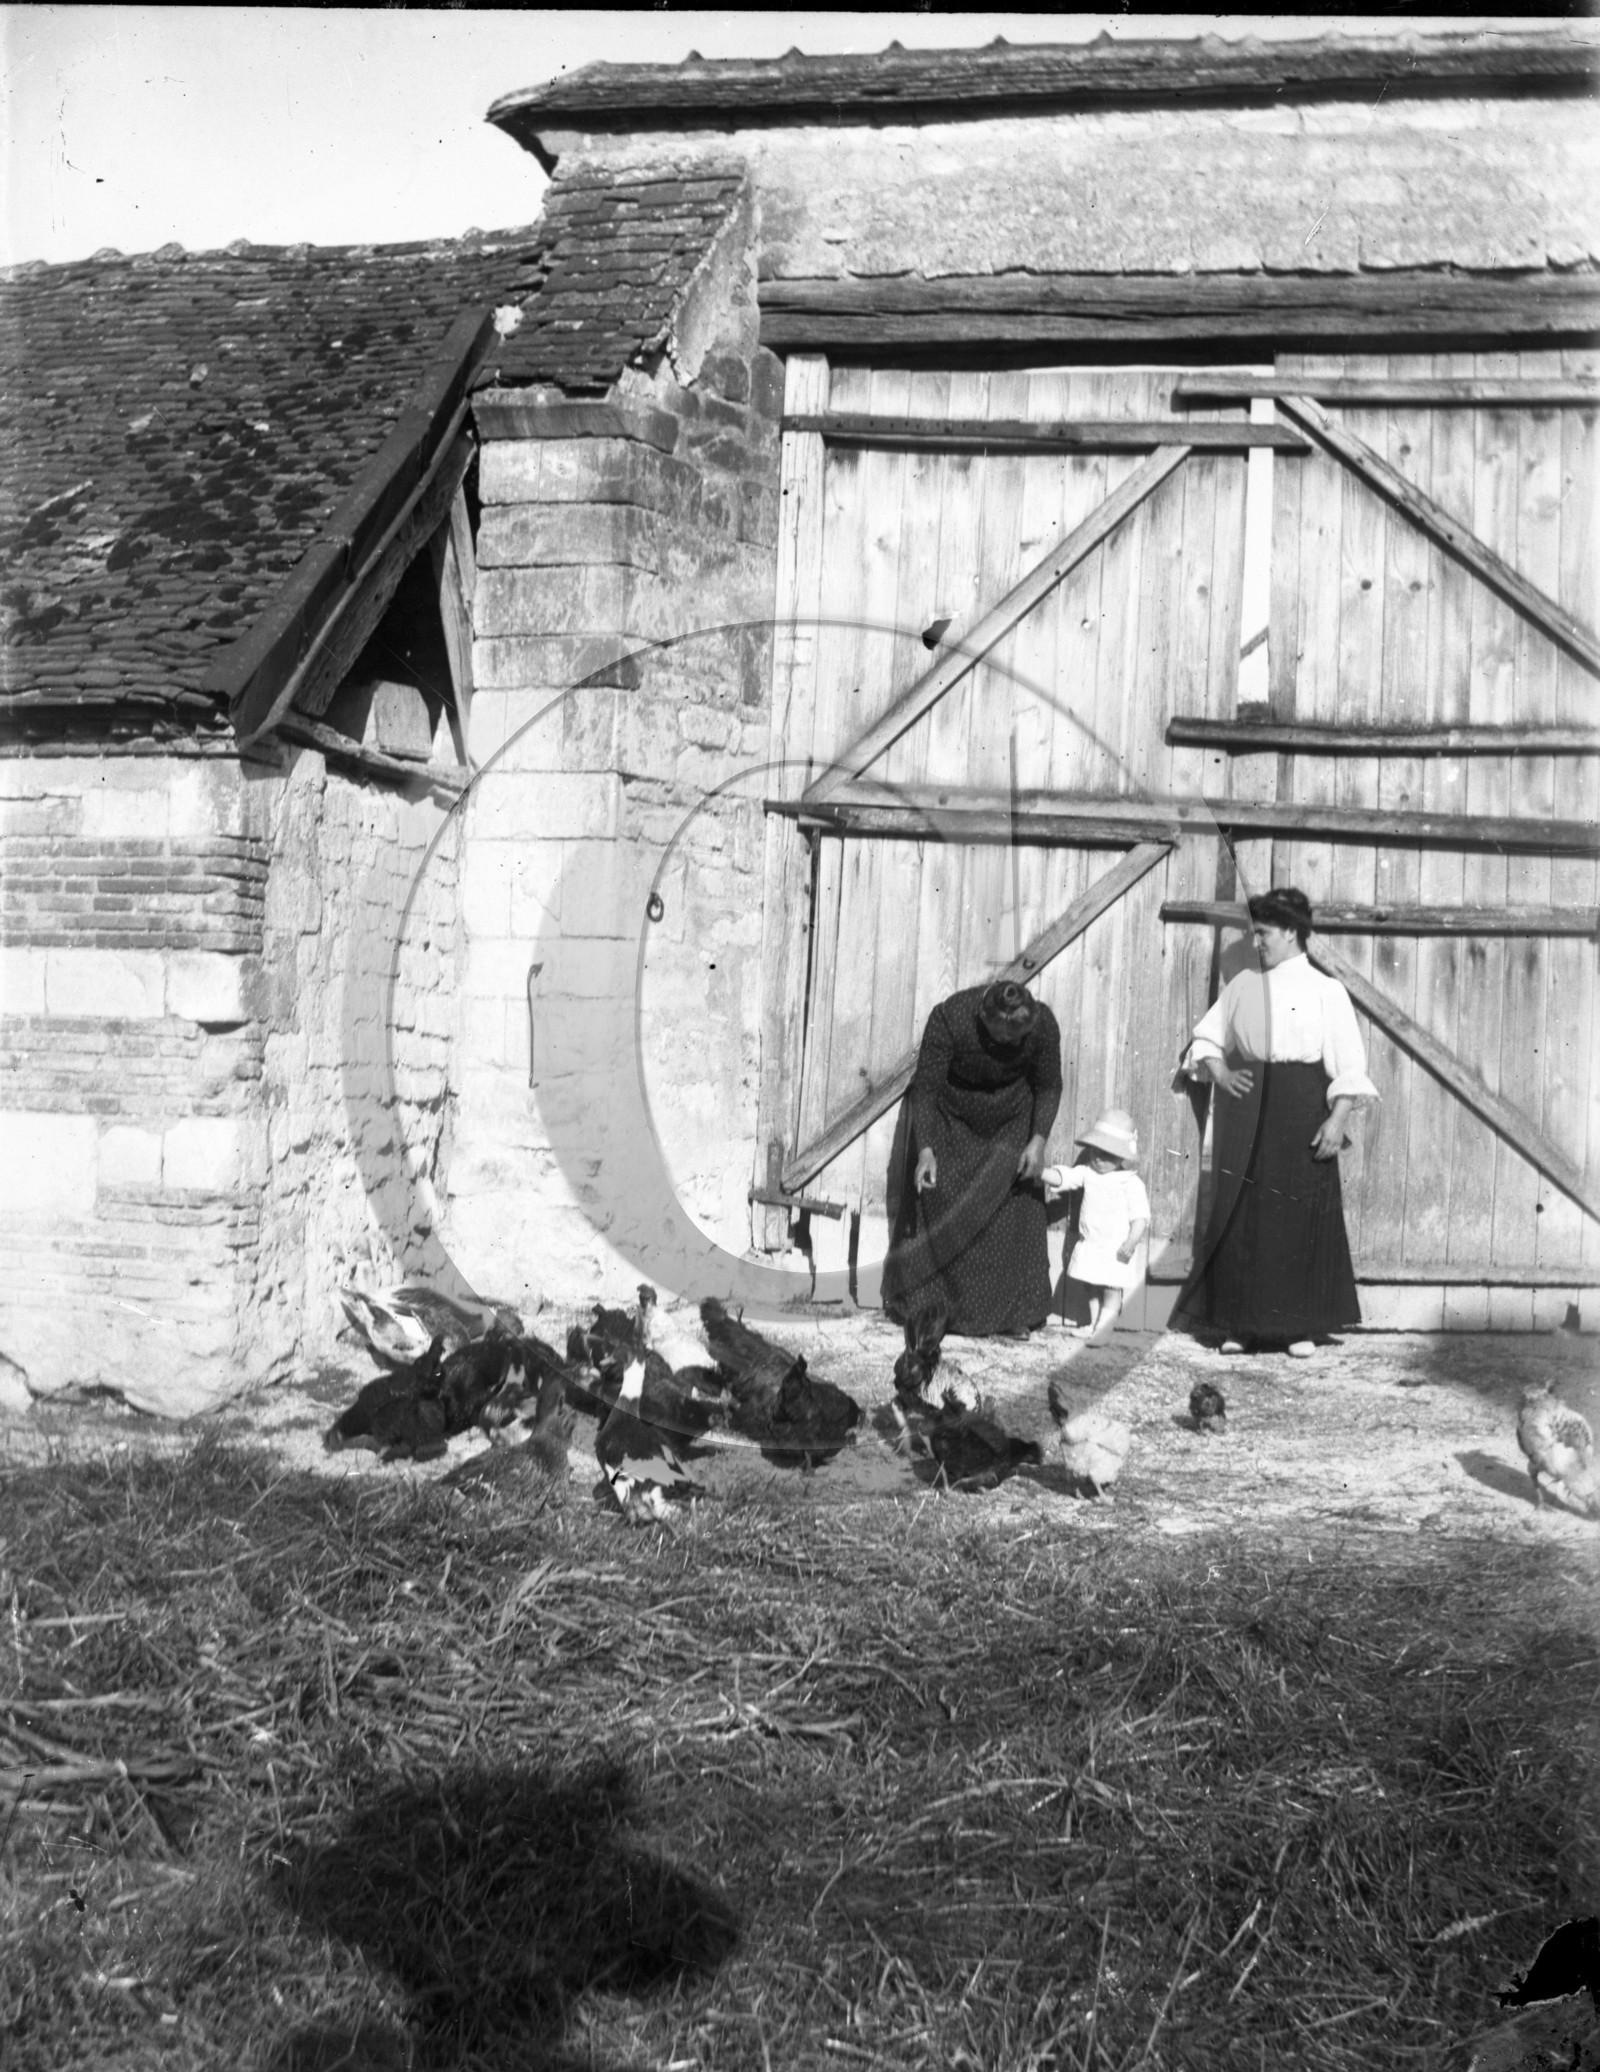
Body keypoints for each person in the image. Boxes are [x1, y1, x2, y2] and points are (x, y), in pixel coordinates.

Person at [1171, 886, 1377, 1357]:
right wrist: (1220, 1071)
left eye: (1263, 933)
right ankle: (1240, 1326)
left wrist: (1337, 1118)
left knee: (1296, 1214)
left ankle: (1296, 1328)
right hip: (1247, 1112)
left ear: (1289, 932)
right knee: (1243, 1215)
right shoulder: (1243, 985)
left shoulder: (1328, 990)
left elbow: (1349, 1065)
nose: (1257, 942)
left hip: (1303, 1109)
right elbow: (1205, 1040)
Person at [881, 979, 1062, 1337]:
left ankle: (1011, 1317)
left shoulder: (1042, 1024)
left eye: (1016, 1040)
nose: (1009, 1045)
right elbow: (927, 1088)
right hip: (952, 1119)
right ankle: (931, 1314)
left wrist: (1038, 1139)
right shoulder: (950, 1018)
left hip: (1011, 1120)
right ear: (982, 1016)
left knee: (1011, 1215)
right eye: (1001, 1037)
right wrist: (926, 1149)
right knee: (940, 1203)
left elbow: (1048, 1085)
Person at [1042, 1108, 1151, 1340]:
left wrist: (1131, 1241)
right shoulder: (1087, 1173)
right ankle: (1093, 1324)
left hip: (1115, 1248)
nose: (1099, 1158)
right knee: (1090, 1284)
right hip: (1091, 1243)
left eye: (1108, 1154)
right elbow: (1065, 1177)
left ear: (1122, 1156)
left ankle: (1104, 1329)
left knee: (1111, 1290)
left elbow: (1140, 1218)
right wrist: (1041, 1173)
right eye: (1095, 1151)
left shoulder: (1130, 1182)